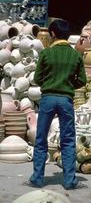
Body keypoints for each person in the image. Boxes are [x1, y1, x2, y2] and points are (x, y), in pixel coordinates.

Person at [26, 19, 87, 189]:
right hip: (66, 100)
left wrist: (50, 83)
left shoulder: (46, 54)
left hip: (48, 99)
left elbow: (37, 78)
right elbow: (82, 80)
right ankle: (69, 181)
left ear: (52, 34)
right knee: (68, 140)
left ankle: (37, 179)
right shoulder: (76, 55)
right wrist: (68, 85)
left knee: (40, 139)